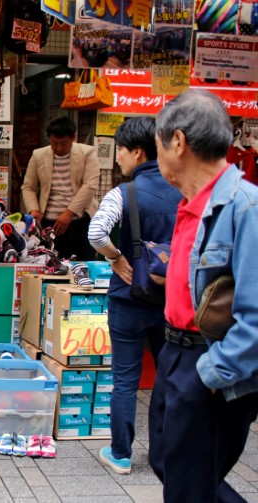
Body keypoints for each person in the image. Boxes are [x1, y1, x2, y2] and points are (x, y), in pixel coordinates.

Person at [148, 89, 258, 501]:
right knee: (167, 462)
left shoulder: (245, 207)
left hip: (207, 360)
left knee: (188, 488)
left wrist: (213, 374)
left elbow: (256, 316)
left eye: (158, 145)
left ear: (177, 142)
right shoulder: (192, 203)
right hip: (175, 353)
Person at [87, 117, 182, 475]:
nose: (118, 160)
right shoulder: (183, 189)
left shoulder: (123, 193)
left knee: (125, 379)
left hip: (129, 299)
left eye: (121, 152)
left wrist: (116, 258)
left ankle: (121, 454)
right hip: (170, 300)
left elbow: (97, 233)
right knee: (169, 377)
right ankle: (163, 456)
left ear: (137, 151)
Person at [22, 116, 100, 260]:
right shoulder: (38, 155)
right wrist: (34, 210)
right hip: (49, 224)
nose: (59, 148)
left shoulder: (87, 153)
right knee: (50, 266)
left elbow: (90, 185)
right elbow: (28, 187)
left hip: (80, 222)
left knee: (84, 267)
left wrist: (69, 213)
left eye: (64, 143)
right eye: (54, 143)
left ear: (74, 137)